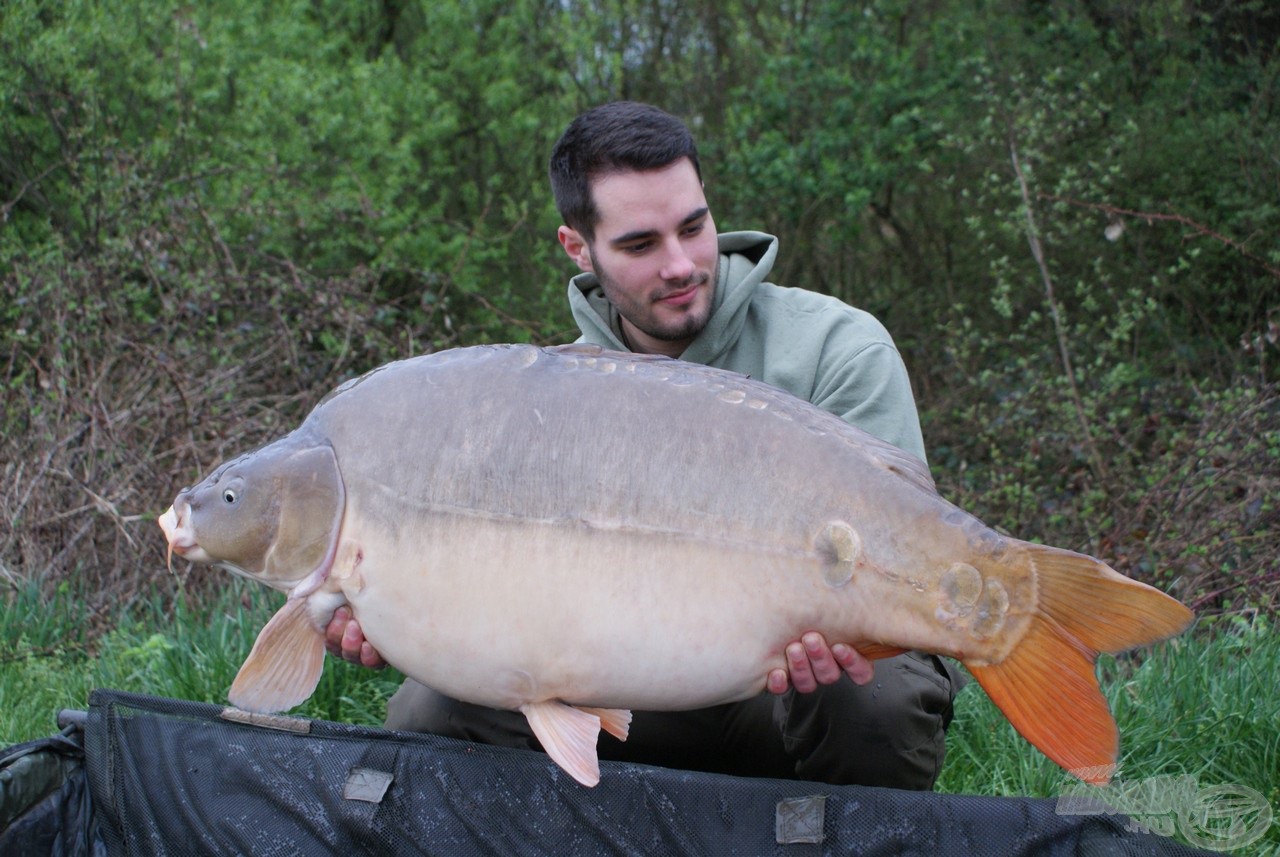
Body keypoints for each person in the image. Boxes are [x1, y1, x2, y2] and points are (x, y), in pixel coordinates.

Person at [325, 101, 962, 789]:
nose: (682, 263)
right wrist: (404, 617)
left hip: (790, 691)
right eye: (641, 245)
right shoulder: (539, 405)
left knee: (874, 693)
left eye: (694, 227)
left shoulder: (835, 347)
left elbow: (909, 545)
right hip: (634, 691)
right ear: (579, 247)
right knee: (430, 706)